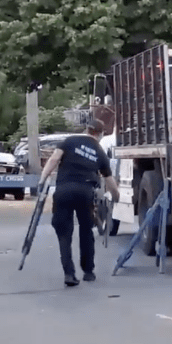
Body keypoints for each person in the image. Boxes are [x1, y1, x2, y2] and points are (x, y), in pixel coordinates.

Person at [38, 119, 120, 287]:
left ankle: (69, 273)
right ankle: (88, 272)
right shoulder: (99, 150)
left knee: (64, 233)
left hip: (63, 191)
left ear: (87, 129)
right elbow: (109, 180)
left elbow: (54, 160)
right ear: (99, 134)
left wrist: (42, 179)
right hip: (85, 193)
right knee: (86, 231)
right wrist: (116, 197)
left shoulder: (69, 141)